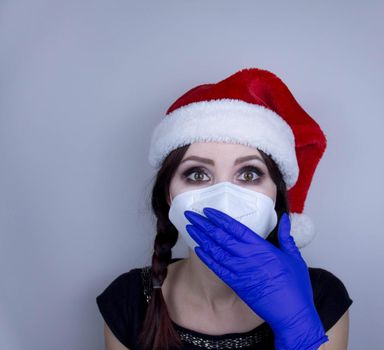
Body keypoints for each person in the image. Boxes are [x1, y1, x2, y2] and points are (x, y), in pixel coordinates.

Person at [96, 68, 353, 350]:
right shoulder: (128, 300)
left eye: (249, 174)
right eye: (197, 174)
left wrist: (299, 329)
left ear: (275, 196)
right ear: (169, 195)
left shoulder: (321, 297)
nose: (224, 199)